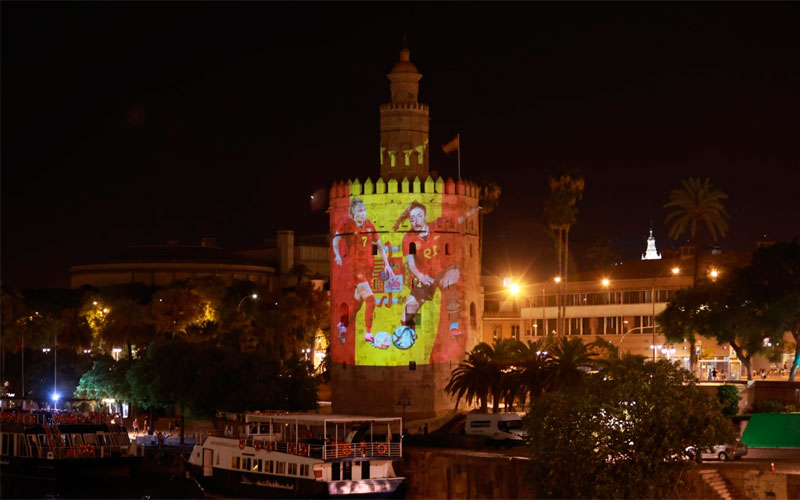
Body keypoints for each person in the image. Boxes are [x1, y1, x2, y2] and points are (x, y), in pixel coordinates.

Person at [332, 197, 394, 344]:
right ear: (353, 212)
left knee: (358, 303)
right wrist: (337, 255)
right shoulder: (347, 224)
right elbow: (335, 240)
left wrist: (386, 264)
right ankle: (368, 333)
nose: (363, 213)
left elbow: (379, 246)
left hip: (369, 269)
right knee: (371, 301)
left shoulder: (369, 225)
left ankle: (343, 325)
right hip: (356, 269)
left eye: (364, 210)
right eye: (360, 210)